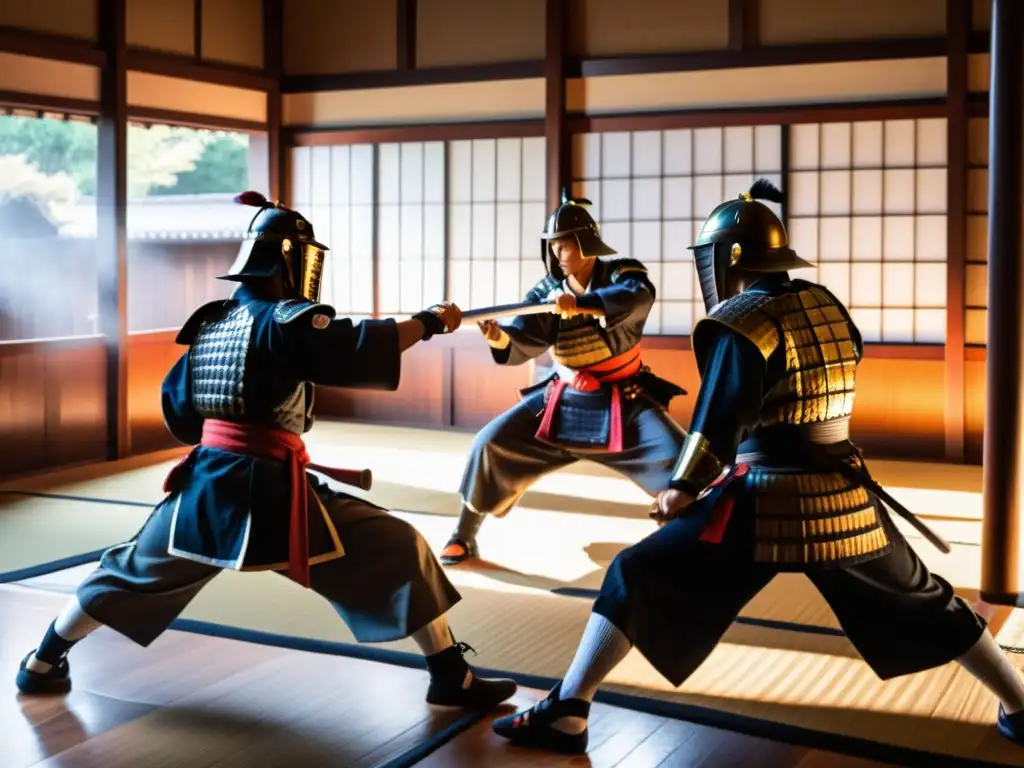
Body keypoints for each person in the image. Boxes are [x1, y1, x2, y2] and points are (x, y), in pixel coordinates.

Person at [491, 179, 1024, 753]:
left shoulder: (743, 323)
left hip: (762, 496)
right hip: (844, 494)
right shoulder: (826, 305)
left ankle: (569, 708)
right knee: (927, 599)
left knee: (634, 574)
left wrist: (680, 489)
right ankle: (1020, 704)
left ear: (726, 260)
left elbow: (719, 419)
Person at [16, 191, 517, 712]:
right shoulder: (287, 319)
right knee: (398, 544)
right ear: (291, 259)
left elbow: (180, 409)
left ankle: (43, 661)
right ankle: (450, 677)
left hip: (206, 487)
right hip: (274, 494)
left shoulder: (212, 322)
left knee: (127, 567)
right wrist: (430, 322)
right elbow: (356, 345)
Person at [438, 190, 687, 566]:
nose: (557, 253)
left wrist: (582, 304)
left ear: (586, 244)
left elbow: (636, 297)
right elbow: (526, 334)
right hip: (563, 399)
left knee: (683, 460)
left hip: (624, 396)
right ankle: (463, 534)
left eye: (564, 245)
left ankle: (681, 542)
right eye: (552, 245)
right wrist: (498, 336)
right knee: (489, 444)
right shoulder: (547, 291)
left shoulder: (622, 272)